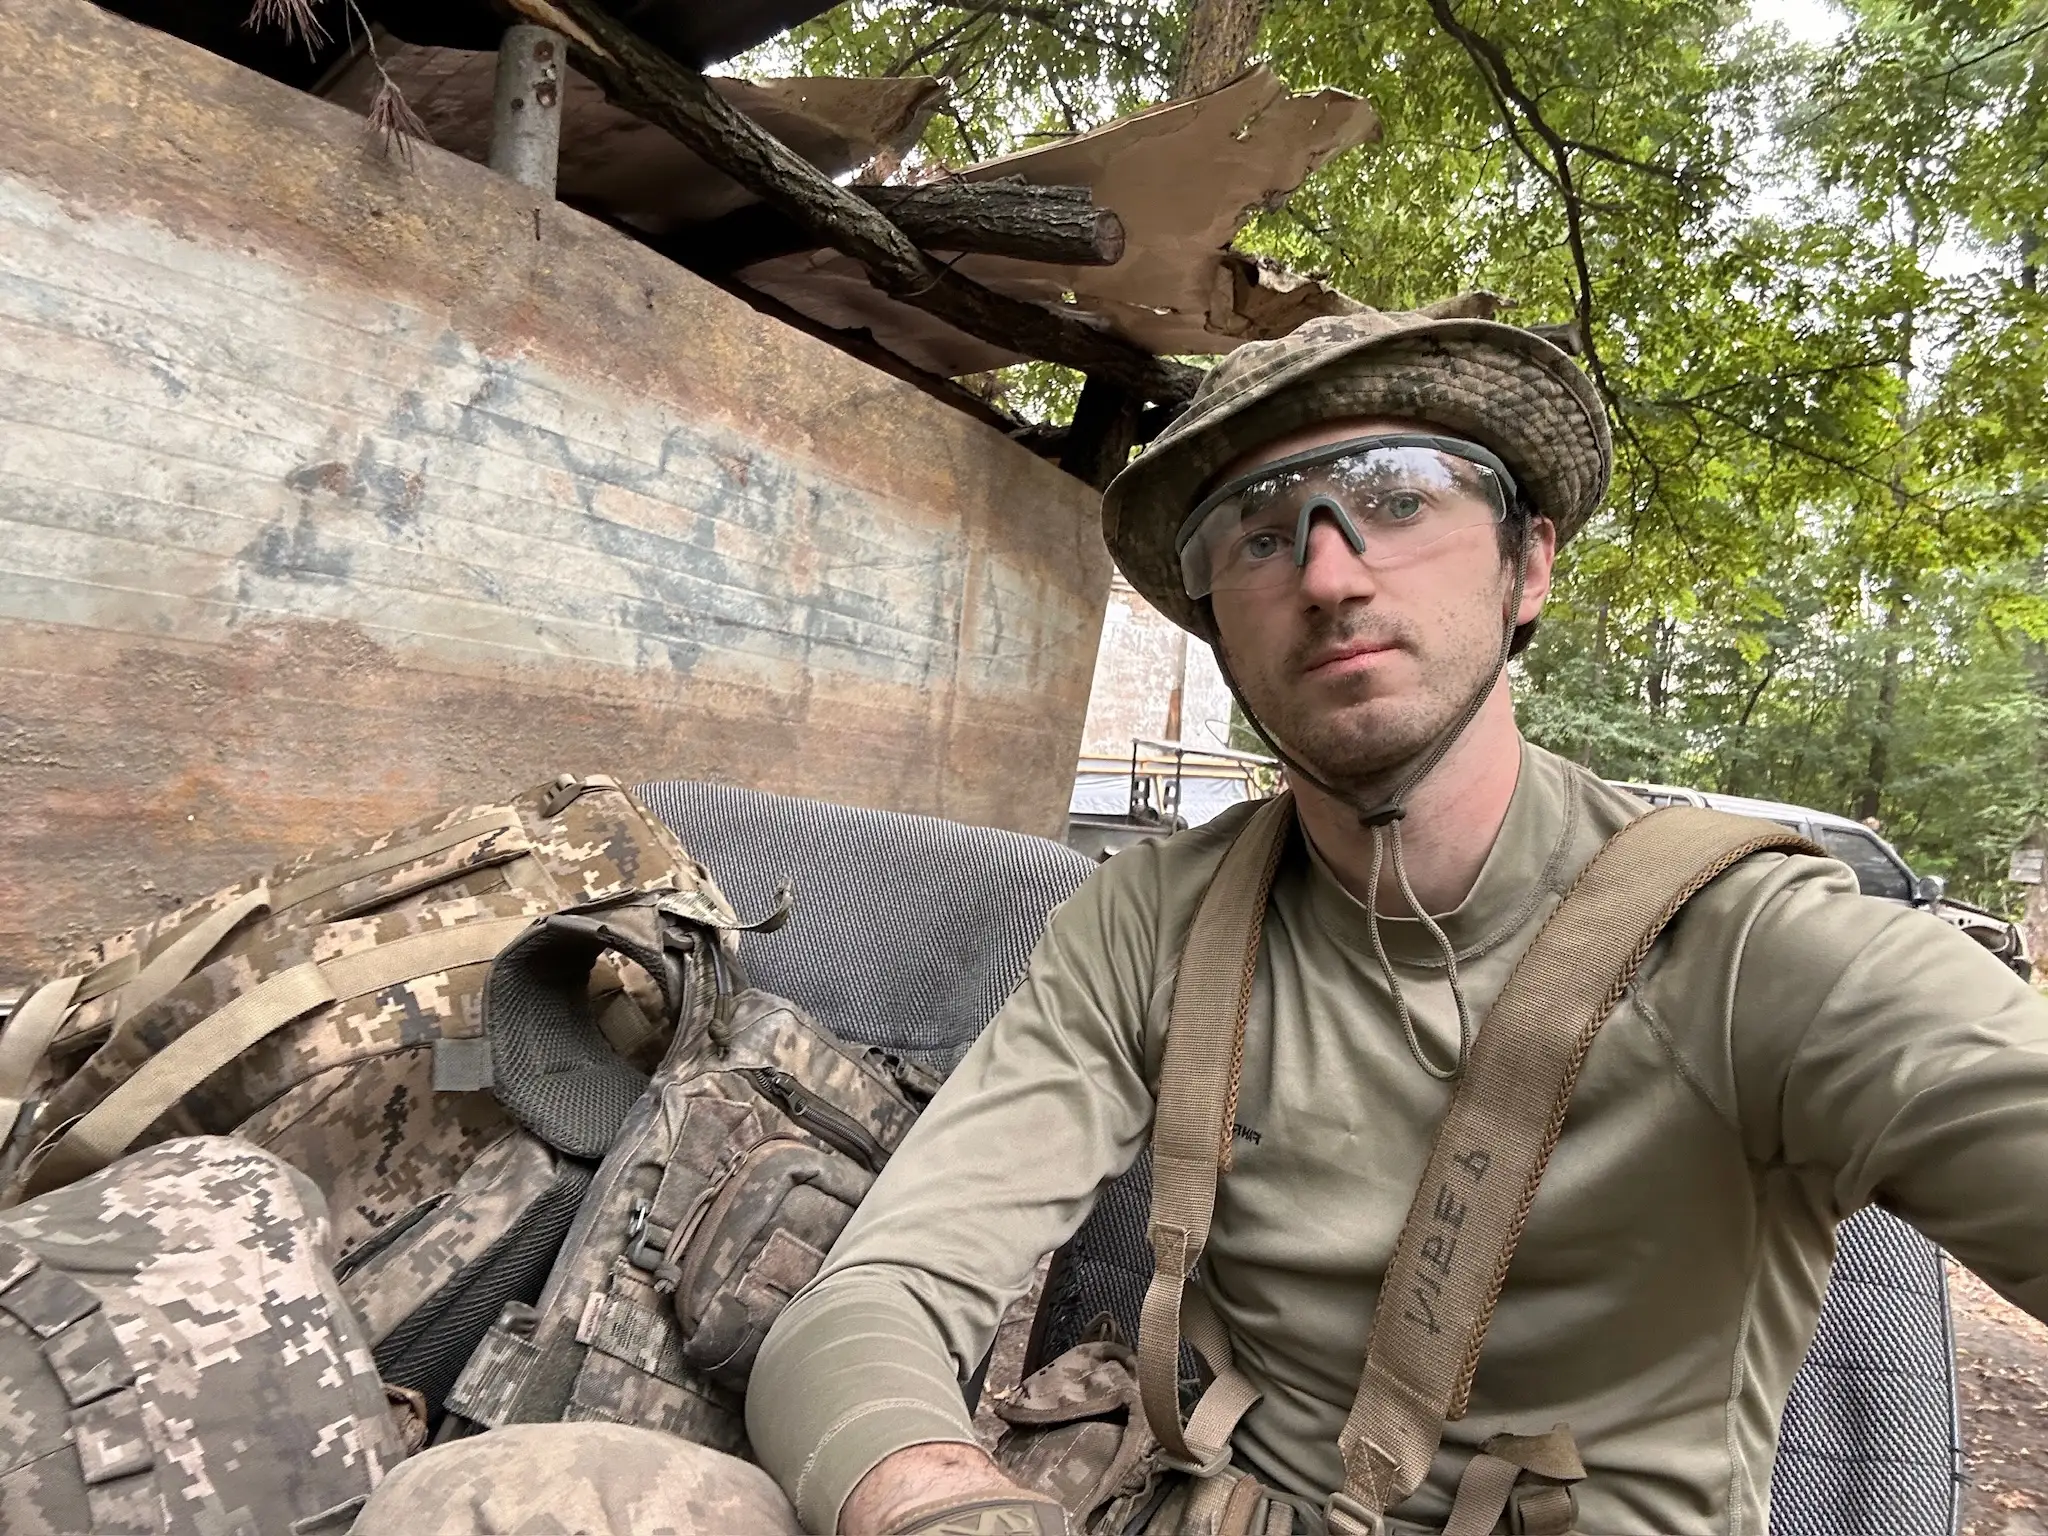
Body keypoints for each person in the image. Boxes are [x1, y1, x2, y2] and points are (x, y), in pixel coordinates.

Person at [732, 307, 2048, 1535]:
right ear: (1218, 628)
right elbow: (873, 1300)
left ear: (1529, 566)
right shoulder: (1153, 921)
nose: (1327, 572)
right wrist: (942, 1500)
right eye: (1259, 534)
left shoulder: (1754, 947)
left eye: (1399, 498)